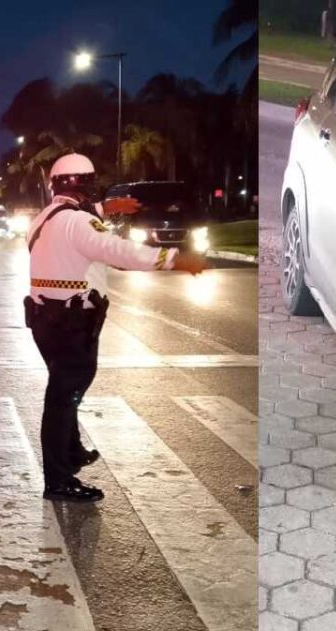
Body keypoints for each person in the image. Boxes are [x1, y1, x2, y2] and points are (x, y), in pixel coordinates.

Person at [25, 153, 207, 502]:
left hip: (46, 321)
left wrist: (107, 208)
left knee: (65, 392)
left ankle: (72, 451)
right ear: (83, 184)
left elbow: (77, 223)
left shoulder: (43, 219)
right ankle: (58, 479)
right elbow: (115, 249)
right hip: (72, 323)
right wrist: (172, 259)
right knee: (64, 398)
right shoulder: (77, 223)